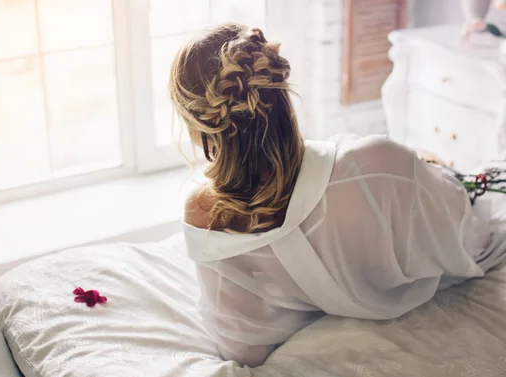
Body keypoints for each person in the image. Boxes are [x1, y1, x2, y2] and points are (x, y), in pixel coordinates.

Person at [168, 23, 506, 367]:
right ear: (280, 90)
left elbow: (243, 349)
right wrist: (426, 172)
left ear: (198, 128)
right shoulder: (376, 165)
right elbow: (472, 239)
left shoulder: (205, 216)